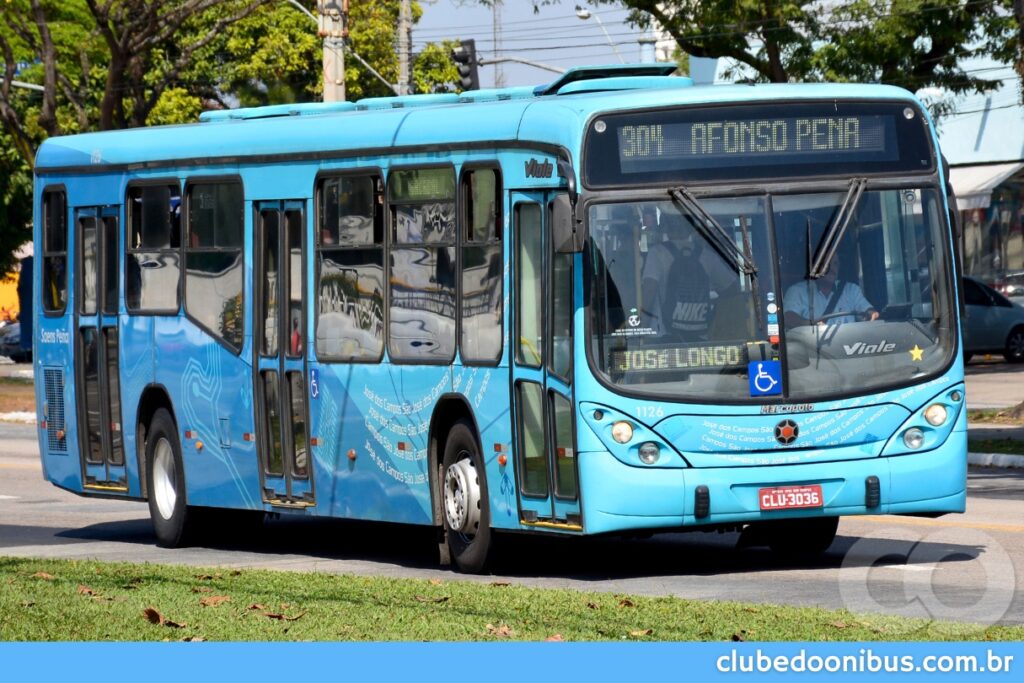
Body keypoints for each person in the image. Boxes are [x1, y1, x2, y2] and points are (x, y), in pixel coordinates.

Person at [641, 212, 711, 339]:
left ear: (665, 226)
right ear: (691, 228)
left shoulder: (657, 253)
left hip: (664, 337)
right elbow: (731, 289)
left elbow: (649, 292)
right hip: (701, 338)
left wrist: (641, 332)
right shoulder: (705, 255)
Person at [783, 258, 878, 326]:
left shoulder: (851, 290)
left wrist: (871, 314)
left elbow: (868, 311)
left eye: (835, 264)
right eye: (827, 264)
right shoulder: (797, 291)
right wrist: (810, 324)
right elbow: (788, 318)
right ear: (817, 266)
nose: (832, 269)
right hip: (812, 351)